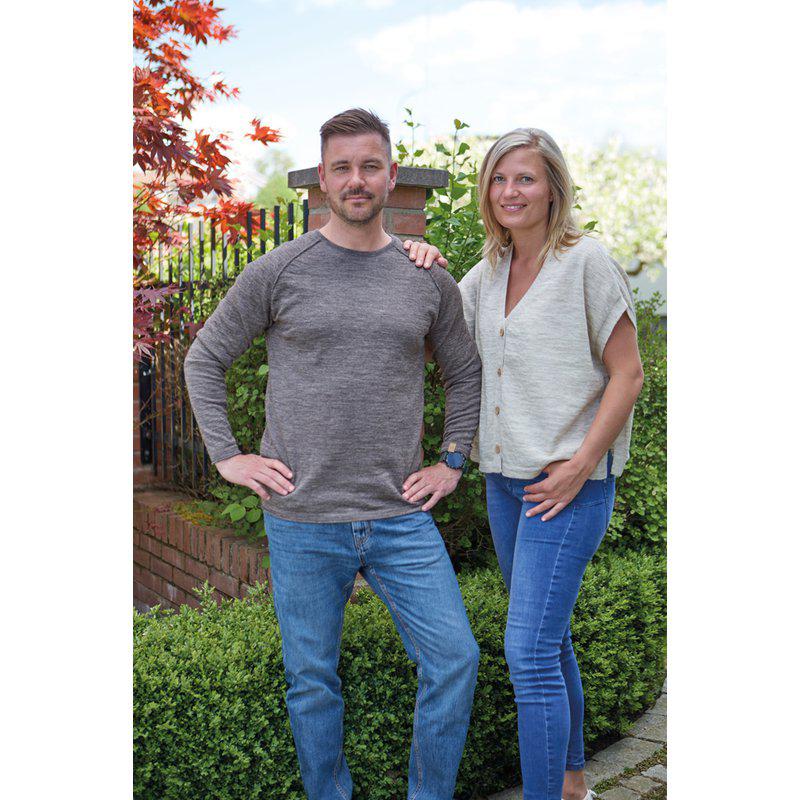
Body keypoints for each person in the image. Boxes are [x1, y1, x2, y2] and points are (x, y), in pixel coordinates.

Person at [183, 108, 482, 800]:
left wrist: (452, 460)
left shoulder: (425, 277)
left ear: (391, 175)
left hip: (399, 514)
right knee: (311, 679)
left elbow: (464, 373)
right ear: (322, 178)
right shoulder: (278, 270)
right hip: (303, 516)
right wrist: (228, 457)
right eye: (342, 167)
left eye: (370, 166)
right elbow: (205, 359)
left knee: (455, 658)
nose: (356, 180)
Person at [402, 128, 644, 800]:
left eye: (525, 178)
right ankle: (572, 782)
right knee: (548, 640)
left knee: (528, 652)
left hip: (567, 488)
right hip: (505, 485)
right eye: (499, 179)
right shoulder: (486, 273)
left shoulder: (586, 262)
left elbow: (627, 374)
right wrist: (422, 263)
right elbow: (434, 340)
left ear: (553, 188)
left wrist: (582, 464)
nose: (510, 192)